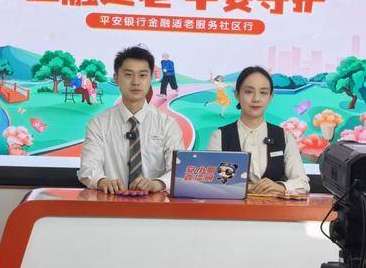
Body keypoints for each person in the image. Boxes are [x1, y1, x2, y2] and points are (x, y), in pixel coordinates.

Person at [78, 46, 184, 194]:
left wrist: (158, 183)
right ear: (116, 78)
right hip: (111, 203)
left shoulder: (167, 125)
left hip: (155, 205)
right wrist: (102, 181)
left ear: (150, 79)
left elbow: (178, 170)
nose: (135, 82)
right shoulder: (99, 123)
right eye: (128, 75)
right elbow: (88, 168)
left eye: (142, 75)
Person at [207, 66, 310, 195]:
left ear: (271, 97)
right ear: (237, 95)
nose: (256, 98)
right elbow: (211, 181)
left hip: (275, 207)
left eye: (263, 92)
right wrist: (245, 188)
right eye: (249, 92)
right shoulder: (219, 136)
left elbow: (302, 183)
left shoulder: (285, 136)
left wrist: (281, 187)